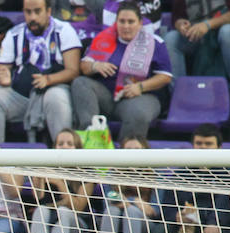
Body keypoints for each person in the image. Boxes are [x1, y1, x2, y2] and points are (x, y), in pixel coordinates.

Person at [0, 0, 81, 144]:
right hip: (22, 95)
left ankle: (63, 158)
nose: (32, 17)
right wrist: (2, 78)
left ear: (48, 11)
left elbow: (73, 71)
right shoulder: (14, 34)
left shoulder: (64, 30)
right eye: (28, 12)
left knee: (55, 97)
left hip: (53, 90)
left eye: (37, 11)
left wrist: (48, 79)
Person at [73, 2, 173, 142]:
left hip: (140, 96)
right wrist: (95, 65)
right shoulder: (104, 38)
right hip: (107, 95)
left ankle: (124, 160)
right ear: (116, 22)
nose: (126, 26)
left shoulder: (155, 43)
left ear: (140, 23)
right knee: (80, 83)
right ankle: (92, 141)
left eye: (131, 22)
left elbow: (165, 76)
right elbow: (84, 66)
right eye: (122, 21)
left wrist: (140, 87)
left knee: (138, 113)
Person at [157, 124, 230, 233]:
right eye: (199, 143)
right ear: (193, 146)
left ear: (219, 147)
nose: (203, 147)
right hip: (187, 228)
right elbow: (167, 207)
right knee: (160, 232)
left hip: (217, 226)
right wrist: (177, 216)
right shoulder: (181, 174)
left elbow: (228, 204)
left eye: (208, 144)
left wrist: (214, 222)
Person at [23, 128, 93, 233]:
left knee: (63, 211)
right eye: (61, 143)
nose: (65, 147)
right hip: (50, 223)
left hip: (77, 228)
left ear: (78, 148)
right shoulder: (49, 168)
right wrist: (39, 177)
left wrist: (61, 184)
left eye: (70, 143)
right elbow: (38, 198)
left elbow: (78, 207)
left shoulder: (87, 172)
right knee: (41, 210)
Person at [164, 0, 230, 84]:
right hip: (196, 34)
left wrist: (208, 25)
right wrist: (181, 25)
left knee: (227, 32)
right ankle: (180, 91)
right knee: (171, 38)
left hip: (224, 32)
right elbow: (177, 18)